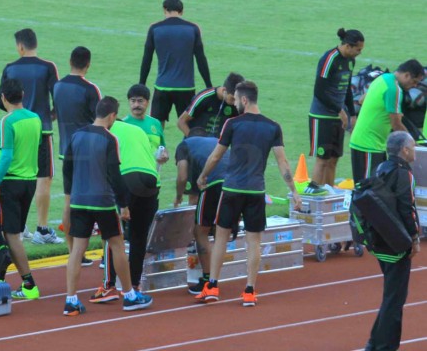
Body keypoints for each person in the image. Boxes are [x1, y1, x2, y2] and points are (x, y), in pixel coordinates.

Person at [195, 81, 302, 306]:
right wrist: (293, 191)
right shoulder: (273, 126)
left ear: (244, 100)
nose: (234, 105)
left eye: (235, 100)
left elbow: (215, 156)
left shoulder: (232, 124)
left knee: (221, 237)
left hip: (232, 189)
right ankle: (250, 291)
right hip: (256, 191)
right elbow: (283, 162)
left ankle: (212, 286)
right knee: (254, 242)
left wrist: (203, 175)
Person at [62, 97, 153, 315]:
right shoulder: (110, 138)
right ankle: (130, 295)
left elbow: (67, 169)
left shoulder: (76, 135)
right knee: (117, 245)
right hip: (102, 202)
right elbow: (115, 175)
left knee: (77, 249)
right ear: (112, 115)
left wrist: (69, 198)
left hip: (78, 201)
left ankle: (71, 300)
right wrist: (123, 205)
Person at [0, 28, 62, 245]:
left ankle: (20, 227)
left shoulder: (10, 68)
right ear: (35, 44)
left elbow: (0, 100)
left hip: (16, 131)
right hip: (41, 130)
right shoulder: (48, 67)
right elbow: (58, 98)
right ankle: (42, 229)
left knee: (19, 174)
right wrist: (51, 116)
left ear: (20, 46)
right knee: (44, 178)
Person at [90, 120, 160, 302]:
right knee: (139, 236)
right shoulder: (137, 130)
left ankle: (109, 286)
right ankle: (135, 285)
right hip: (152, 181)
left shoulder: (106, 132)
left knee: (112, 235)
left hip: (127, 177)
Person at [364, 131, 421, 351]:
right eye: (413, 146)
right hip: (397, 244)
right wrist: (414, 238)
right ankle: (384, 346)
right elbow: (408, 209)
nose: (414, 150)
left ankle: (375, 342)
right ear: (404, 150)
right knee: (395, 300)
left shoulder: (381, 168)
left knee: (392, 297)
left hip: (380, 241)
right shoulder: (403, 173)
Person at [0, 79, 42, 300]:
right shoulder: (35, 118)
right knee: (11, 233)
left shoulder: (6, 121)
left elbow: (7, 156)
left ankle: (29, 285)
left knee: (11, 235)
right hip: (30, 182)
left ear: (3, 98)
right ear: (22, 95)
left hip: (10, 182)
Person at [54, 46, 102, 267]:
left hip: (66, 151)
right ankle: (103, 254)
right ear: (88, 64)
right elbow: (101, 122)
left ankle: (73, 252)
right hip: (89, 153)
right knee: (96, 201)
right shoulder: (90, 89)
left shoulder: (58, 86)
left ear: (69, 61)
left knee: (68, 201)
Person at [139, 0, 213, 128]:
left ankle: (159, 148)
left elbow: (147, 59)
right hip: (186, 87)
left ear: (164, 9)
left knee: (156, 126)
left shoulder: (155, 29)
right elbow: (201, 59)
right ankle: (189, 148)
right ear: (181, 11)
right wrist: (209, 86)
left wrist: (142, 84)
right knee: (189, 125)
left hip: (162, 87)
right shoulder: (192, 29)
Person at [174, 127, 230, 295]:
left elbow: (182, 176)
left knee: (200, 231)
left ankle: (208, 280)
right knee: (221, 230)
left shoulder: (184, 145)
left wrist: (178, 196)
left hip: (214, 183)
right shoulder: (214, 141)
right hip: (236, 184)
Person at [350, 59, 425, 183]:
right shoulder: (394, 89)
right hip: (369, 145)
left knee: (366, 187)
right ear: (407, 75)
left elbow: (362, 100)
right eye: (414, 82)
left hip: (364, 141)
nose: (415, 86)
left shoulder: (383, 78)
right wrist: (412, 143)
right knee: (368, 189)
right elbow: (396, 124)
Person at [309, 28, 364, 186]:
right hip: (322, 116)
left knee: (334, 159)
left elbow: (346, 88)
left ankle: (328, 191)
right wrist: (339, 110)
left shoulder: (350, 61)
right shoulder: (330, 58)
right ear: (348, 46)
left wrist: (352, 113)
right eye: (358, 49)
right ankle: (315, 193)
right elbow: (319, 91)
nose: (359, 53)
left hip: (339, 116)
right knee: (322, 159)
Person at [178, 72, 243, 138]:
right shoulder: (204, 97)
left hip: (217, 146)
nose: (235, 103)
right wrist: (194, 141)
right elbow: (181, 121)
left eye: (237, 99)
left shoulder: (238, 104)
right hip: (196, 143)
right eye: (232, 99)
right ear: (224, 90)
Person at [123, 84, 169, 166]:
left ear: (147, 102)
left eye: (140, 101)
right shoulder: (122, 124)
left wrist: (164, 155)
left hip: (153, 173)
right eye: (133, 101)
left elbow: (162, 147)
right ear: (129, 102)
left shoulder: (156, 123)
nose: (136, 105)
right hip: (130, 172)